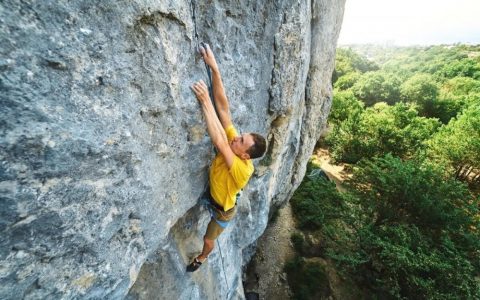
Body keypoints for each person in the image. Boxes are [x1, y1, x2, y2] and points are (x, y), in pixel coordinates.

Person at [187, 44, 267, 272]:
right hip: (214, 192)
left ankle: (202, 258)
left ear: (244, 155)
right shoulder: (237, 146)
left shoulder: (243, 169)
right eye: (241, 136)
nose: (236, 137)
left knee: (209, 240)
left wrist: (204, 101)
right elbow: (224, 111)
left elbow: (220, 142)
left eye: (241, 140)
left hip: (223, 210)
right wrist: (215, 69)